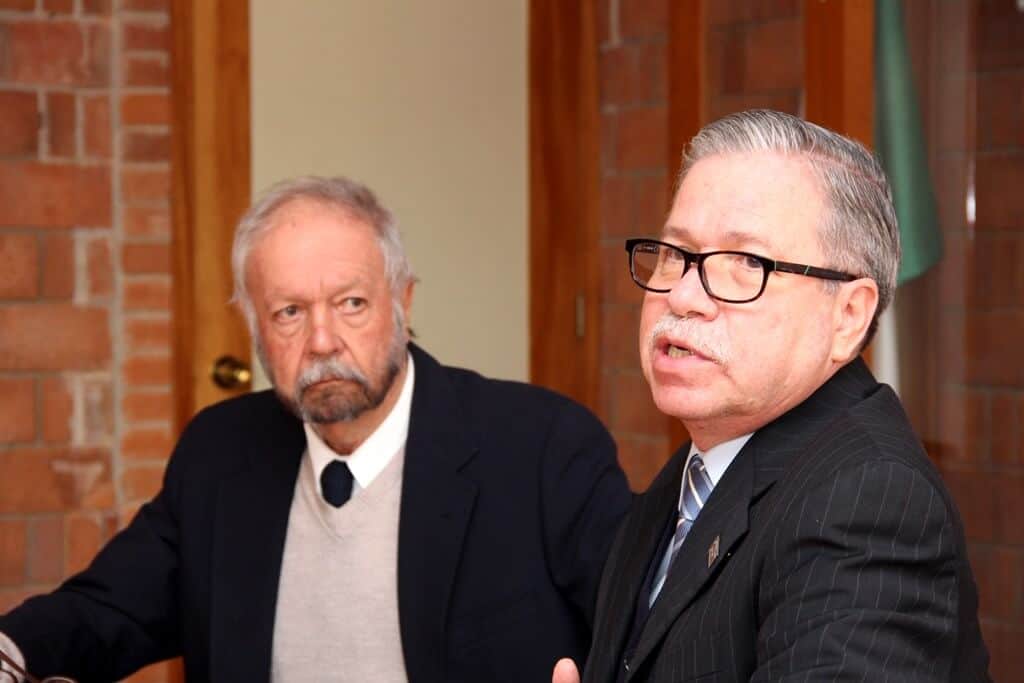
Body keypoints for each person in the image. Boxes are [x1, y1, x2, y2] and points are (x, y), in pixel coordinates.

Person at [0, 176, 631, 682]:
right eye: (289, 312)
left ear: (403, 302)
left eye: (351, 303)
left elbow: (649, 629)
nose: (322, 340)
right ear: (254, 328)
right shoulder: (220, 453)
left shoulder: (542, 447)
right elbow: (106, 610)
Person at [554, 110, 991, 682]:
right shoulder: (693, 471)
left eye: (745, 263)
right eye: (675, 253)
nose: (683, 296)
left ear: (848, 315)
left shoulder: (868, 500)